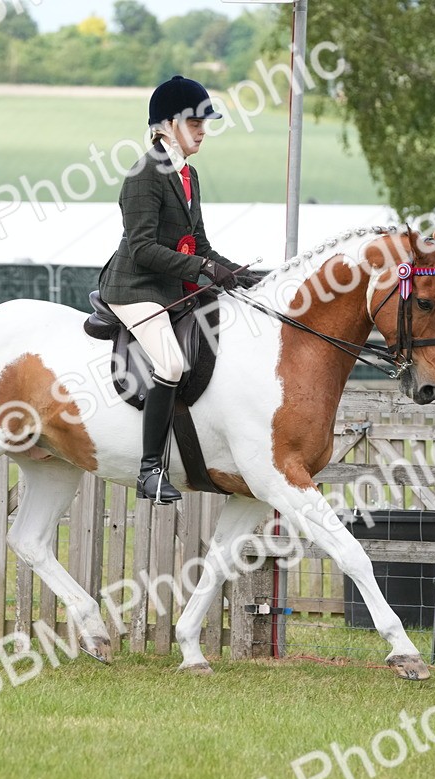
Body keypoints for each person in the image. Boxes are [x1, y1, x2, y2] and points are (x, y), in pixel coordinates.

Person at [97, 75, 251, 505]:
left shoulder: (189, 174)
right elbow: (143, 248)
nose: (204, 129)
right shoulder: (144, 174)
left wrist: (231, 270)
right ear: (165, 125)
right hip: (135, 286)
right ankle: (150, 469)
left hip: (172, 285)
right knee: (170, 361)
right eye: (195, 122)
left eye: (205, 122)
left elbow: (197, 241)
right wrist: (202, 266)